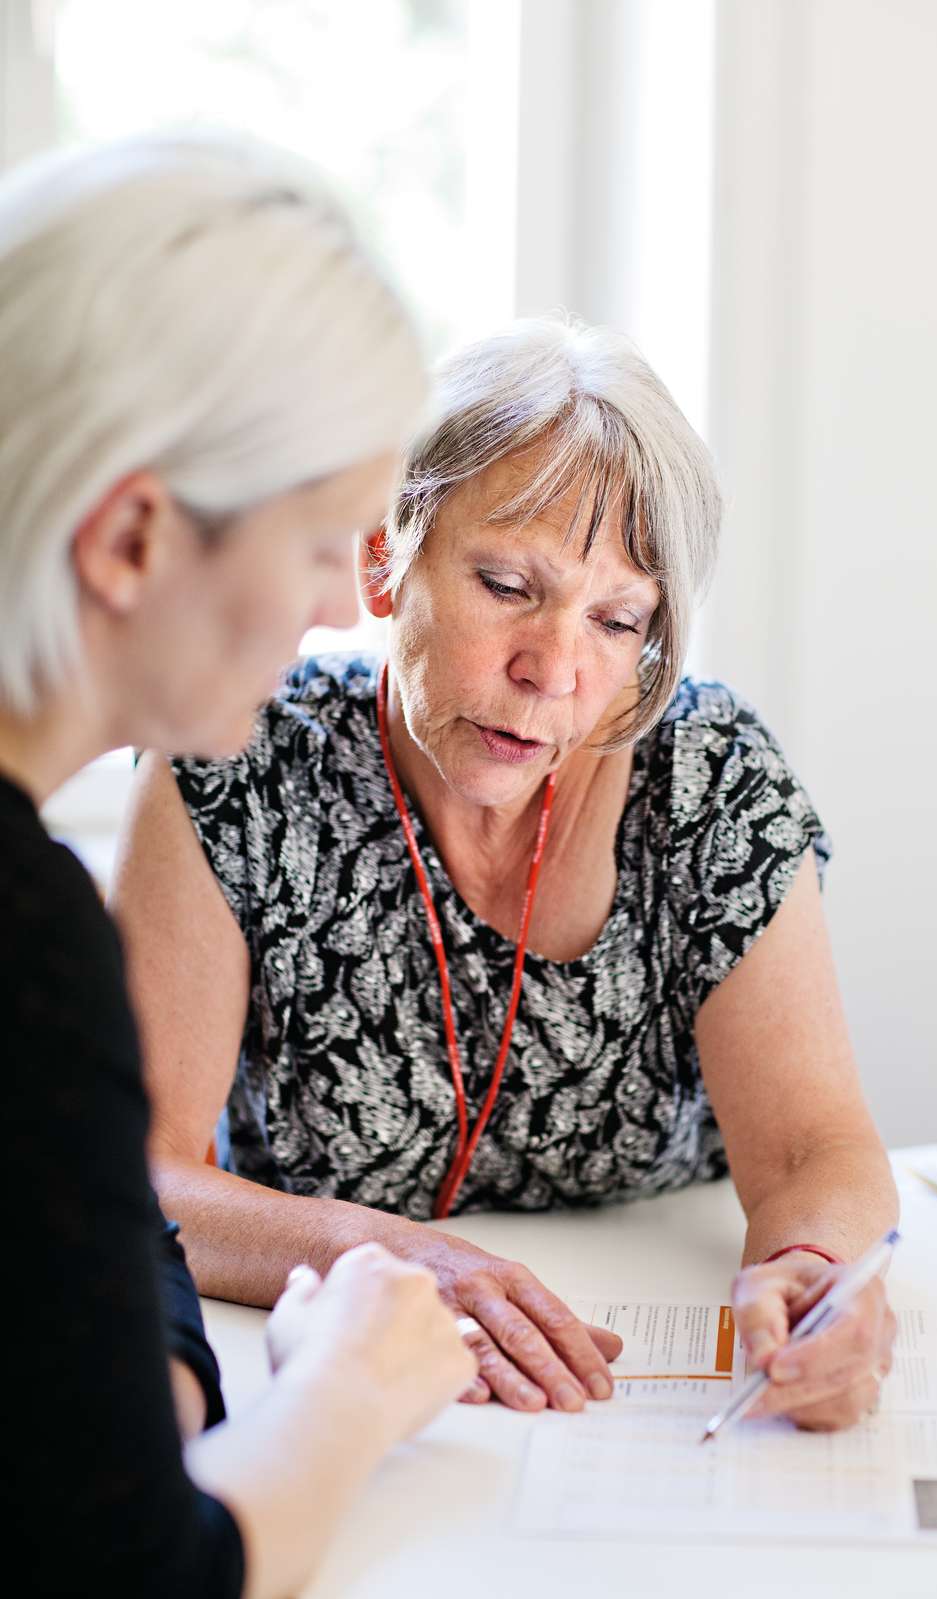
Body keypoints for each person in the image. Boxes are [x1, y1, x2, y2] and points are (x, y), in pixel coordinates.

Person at [116, 316, 899, 1433]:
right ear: (384, 558)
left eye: (617, 619)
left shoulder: (709, 778)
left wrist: (820, 1276)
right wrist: (373, 1250)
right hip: (322, 1355)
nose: (553, 670)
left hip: (638, 1379)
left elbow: (812, 1148)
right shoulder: (230, 759)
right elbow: (136, 1172)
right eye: (505, 585)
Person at [1, 133, 476, 1599]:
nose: (344, 603)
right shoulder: (27, 939)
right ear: (136, 535)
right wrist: (346, 1381)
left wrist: (143, 1387)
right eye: (325, 537)